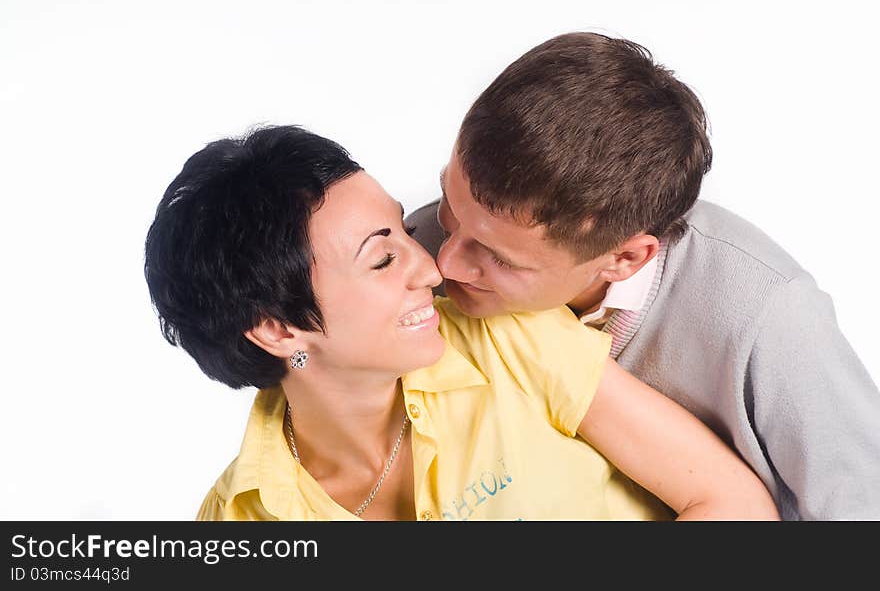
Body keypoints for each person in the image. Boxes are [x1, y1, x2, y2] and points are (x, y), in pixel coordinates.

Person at [144, 125, 778, 521]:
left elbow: (733, 505)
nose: (429, 265)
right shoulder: (238, 521)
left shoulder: (510, 340)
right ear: (279, 330)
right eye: (383, 256)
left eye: (400, 226)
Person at [404, 32, 880, 521]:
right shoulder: (409, 252)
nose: (442, 264)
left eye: (499, 257)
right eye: (450, 204)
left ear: (626, 259)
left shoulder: (770, 315)